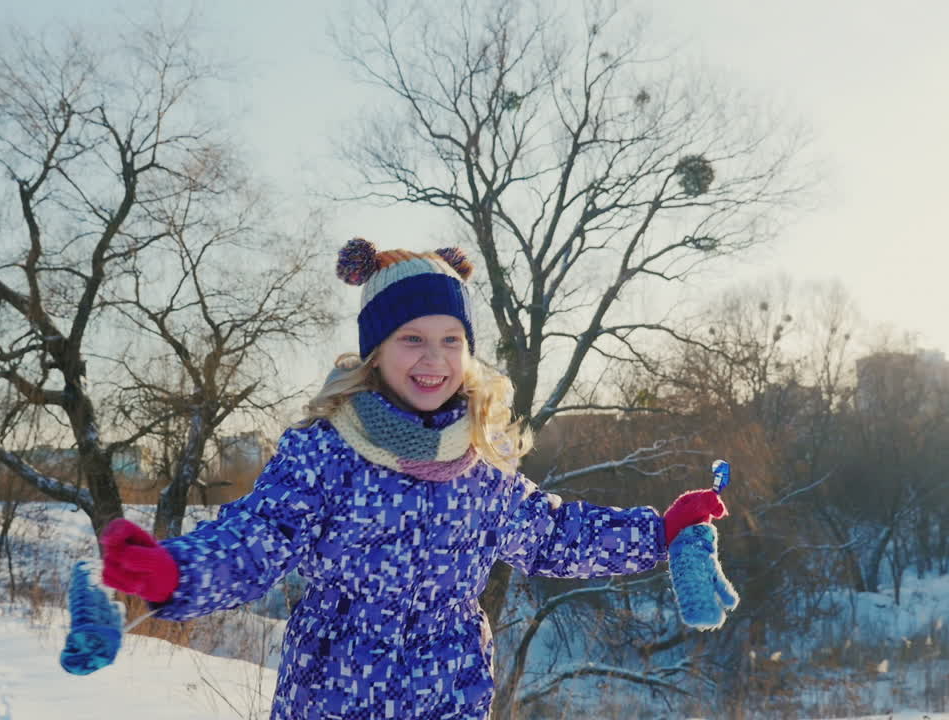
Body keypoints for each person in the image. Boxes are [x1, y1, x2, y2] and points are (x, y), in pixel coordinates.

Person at [100, 238, 728, 720]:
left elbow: (554, 534)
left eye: (452, 340)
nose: (435, 359)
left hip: (449, 691)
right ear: (376, 351)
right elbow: (259, 536)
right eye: (412, 339)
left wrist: (659, 531)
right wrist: (174, 572)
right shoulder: (327, 452)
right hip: (334, 693)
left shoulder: (482, 462)